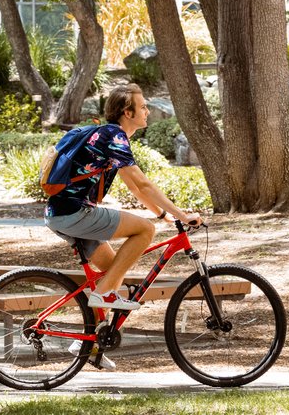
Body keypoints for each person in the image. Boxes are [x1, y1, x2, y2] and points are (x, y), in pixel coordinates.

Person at [45, 83, 203, 311]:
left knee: (113, 271)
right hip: (74, 213)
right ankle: (103, 294)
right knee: (145, 230)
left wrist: (163, 214)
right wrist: (183, 215)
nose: (147, 111)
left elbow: (136, 189)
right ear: (127, 113)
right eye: (143, 107)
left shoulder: (108, 136)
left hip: (59, 214)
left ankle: (91, 341)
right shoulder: (114, 136)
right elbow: (143, 183)